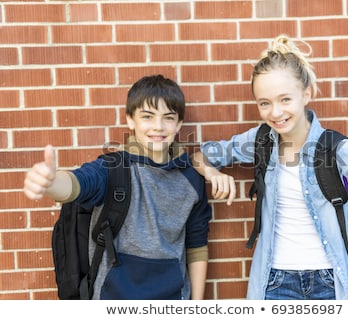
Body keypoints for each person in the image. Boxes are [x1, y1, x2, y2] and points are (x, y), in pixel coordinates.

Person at [191, 35, 348, 300]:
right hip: (275, 281)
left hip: (331, 282)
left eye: (285, 99)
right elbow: (200, 157)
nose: (275, 112)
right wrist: (213, 172)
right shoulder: (260, 141)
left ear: (306, 93)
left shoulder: (332, 146)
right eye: (265, 103)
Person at [24, 75, 212, 300]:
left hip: (172, 299)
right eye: (147, 117)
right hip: (114, 298)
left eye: (168, 118)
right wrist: (52, 183)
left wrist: (197, 307)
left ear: (179, 123)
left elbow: (196, 244)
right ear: (130, 120)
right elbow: (78, 183)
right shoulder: (112, 169)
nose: (158, 126)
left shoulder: (191, 179)